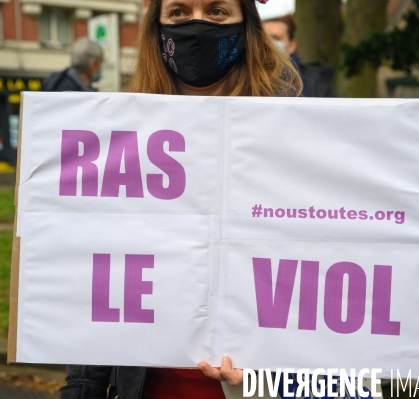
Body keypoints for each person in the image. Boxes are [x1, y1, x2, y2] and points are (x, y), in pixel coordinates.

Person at [59, 1, 301, 398]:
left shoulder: (295, 138)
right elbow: (103, 275)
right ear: (156, 28)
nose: (197, 26)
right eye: (179, 12)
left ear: (247, 28)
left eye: (218, 11)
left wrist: (266, 378)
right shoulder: (120, 139)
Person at [263, 16, 337, 97]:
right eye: (265, 39)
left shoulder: (316, 81)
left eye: (276, 38)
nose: (269, 44)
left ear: (291, 45)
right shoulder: (251, 78)